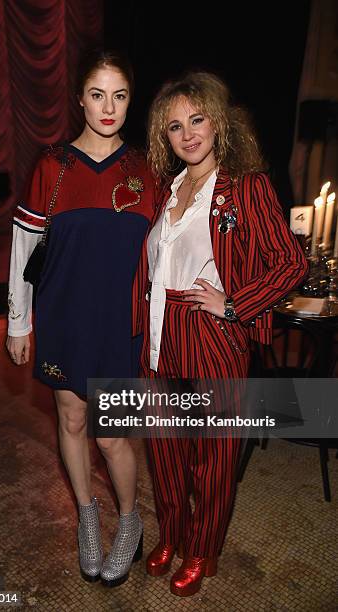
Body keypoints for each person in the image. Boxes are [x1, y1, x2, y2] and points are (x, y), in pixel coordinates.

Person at [132, 71, 308, 597]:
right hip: (161, 331)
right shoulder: (168, 188)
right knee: (164, 448)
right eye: (174, 127)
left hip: (210, 333)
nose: (187, 134)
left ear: (217, 123)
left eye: (197, 120)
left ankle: (203, 548)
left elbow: (290, 262)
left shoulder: (245, 186)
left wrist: (236, 304)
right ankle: (172, 534)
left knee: (213, 454)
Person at [6, 49, 155, 587]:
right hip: (63, 317)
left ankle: (131, 521)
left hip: (120, 324)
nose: (108, 106)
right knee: (71, 420)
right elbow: (24, 251)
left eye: (119, 95)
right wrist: (19, 322)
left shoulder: (146, 171)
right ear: (80, 99)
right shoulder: (53, 166)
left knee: (114, 436)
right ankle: (88, 516)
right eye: (97, 94)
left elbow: (164, 254)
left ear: (130, 100)